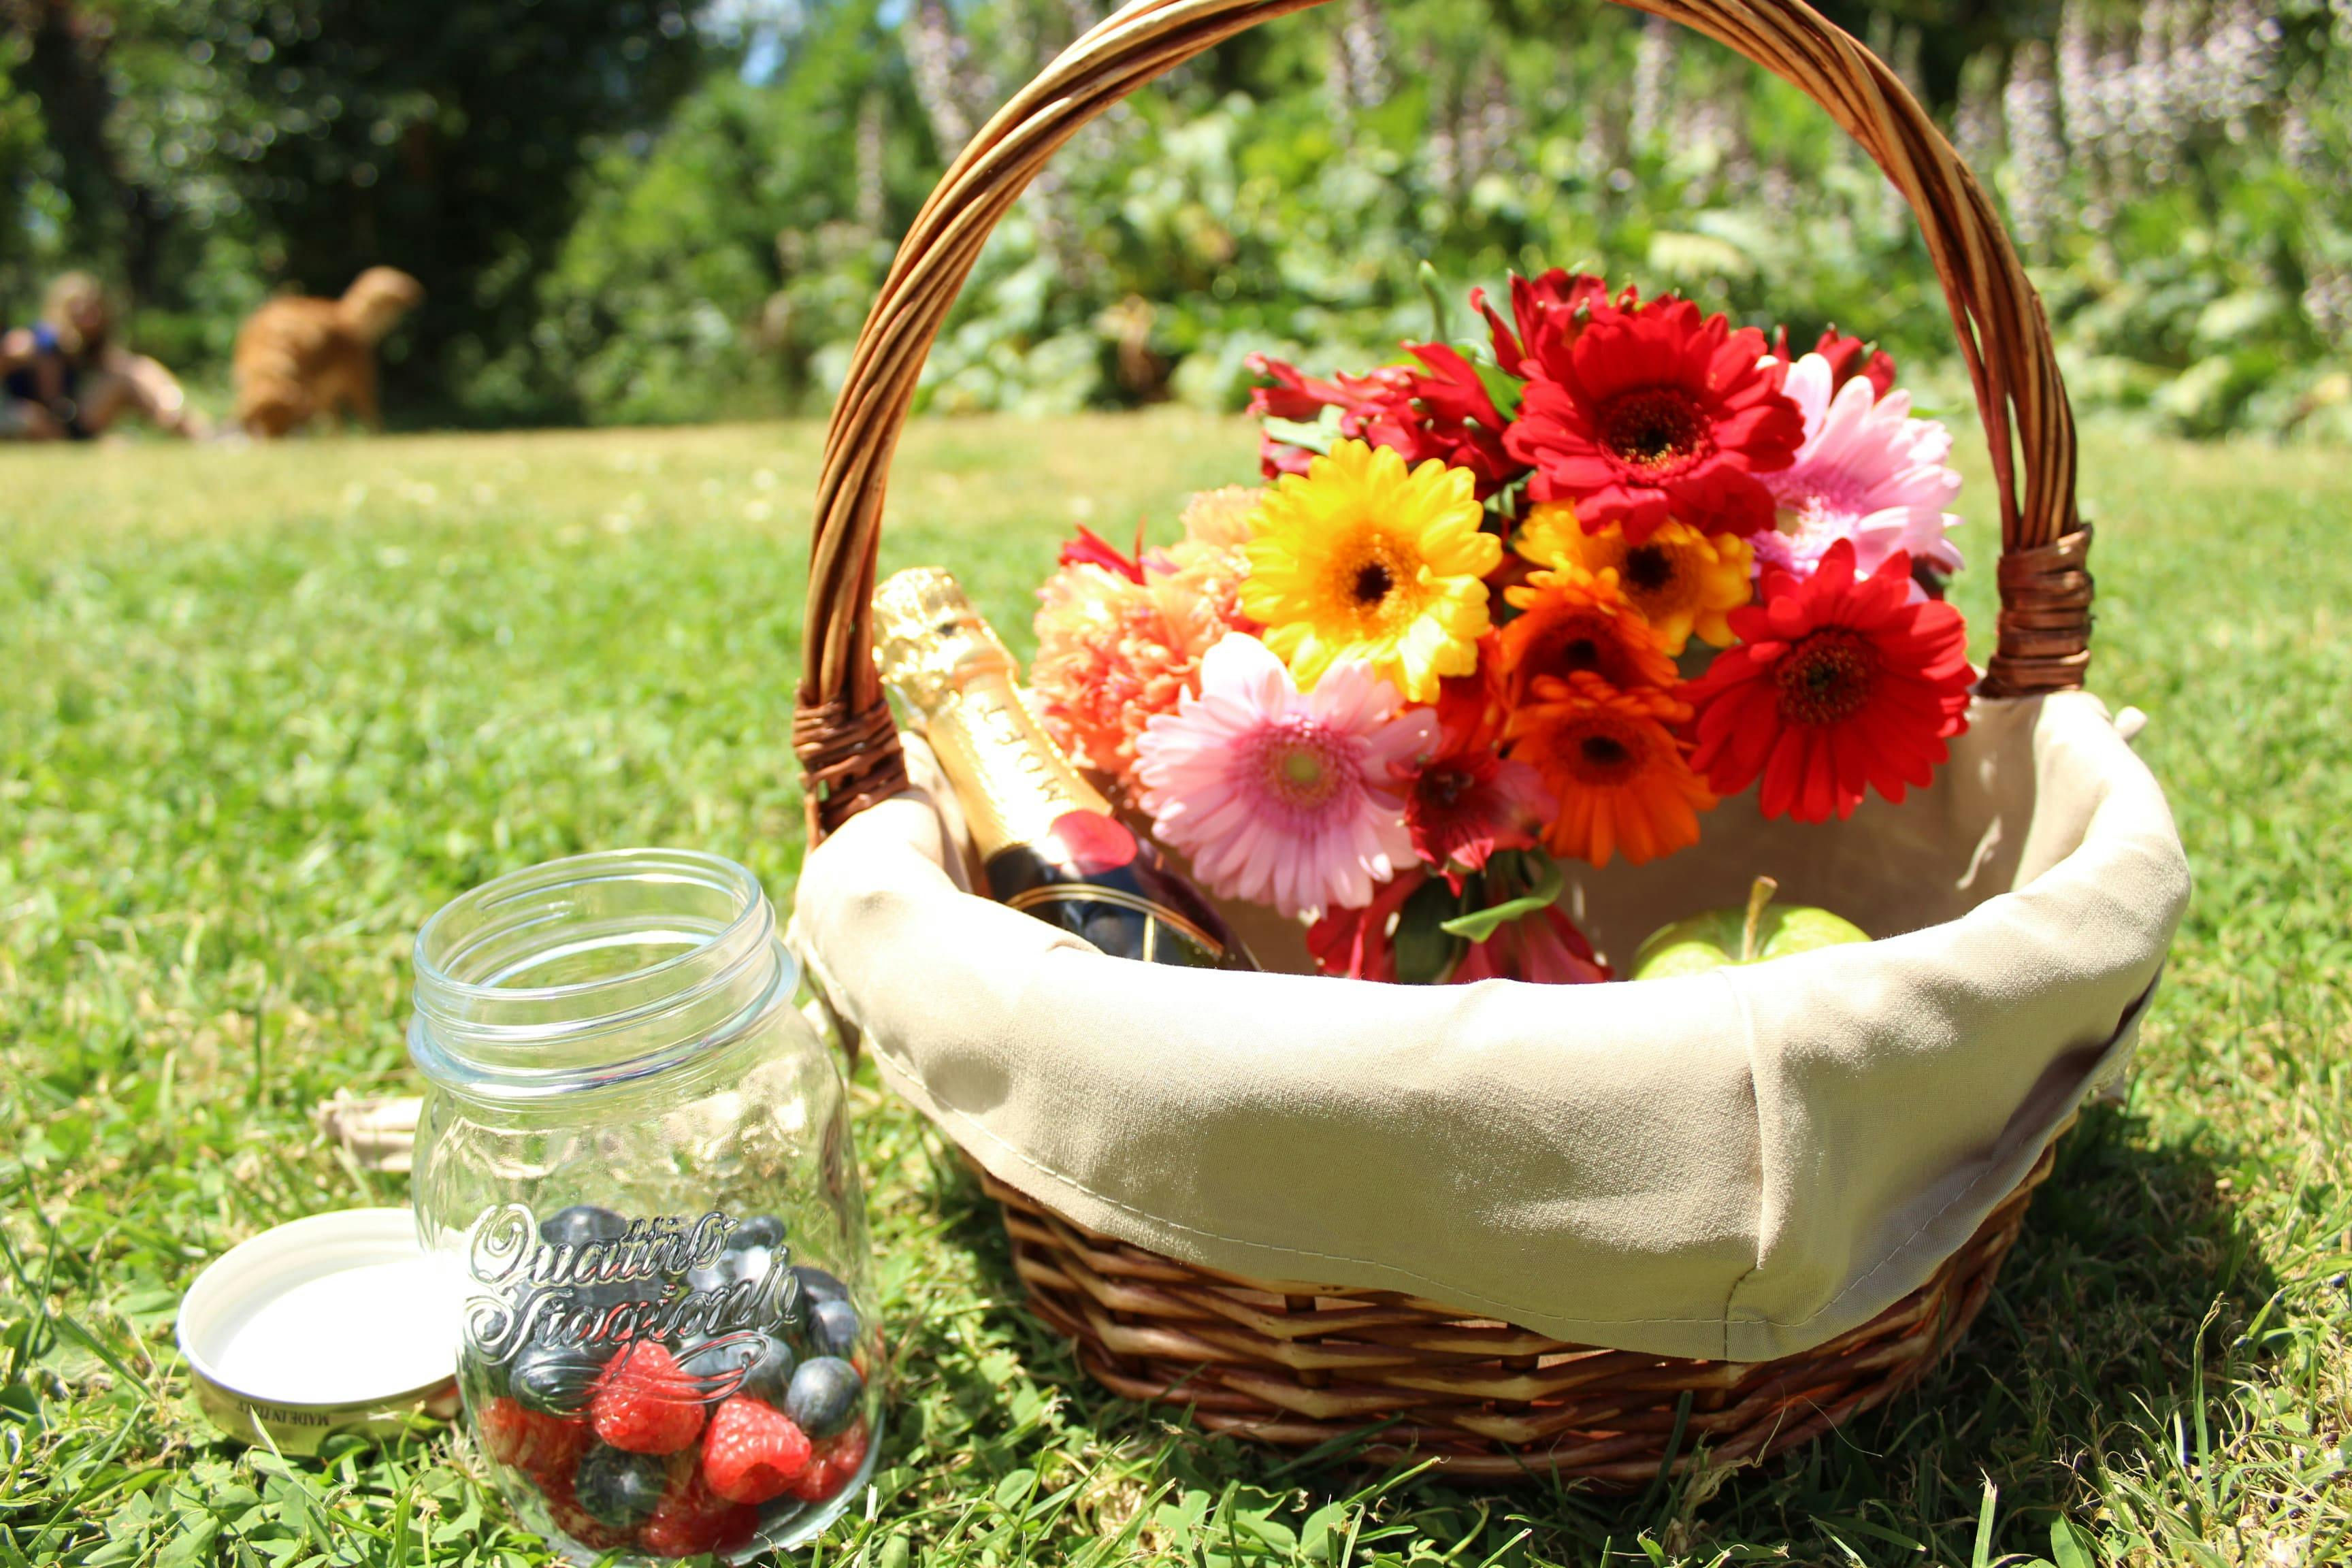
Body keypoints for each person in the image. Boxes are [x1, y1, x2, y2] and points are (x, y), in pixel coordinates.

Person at [0, 272, 209, 441]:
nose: (87, 315)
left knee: (138, 370)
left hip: (69, 422)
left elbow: (129, 368)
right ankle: (198, 431)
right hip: (38, 421)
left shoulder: (91, 348)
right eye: (78, 306)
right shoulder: (38, 339)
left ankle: (193, 425)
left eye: (93, 307)